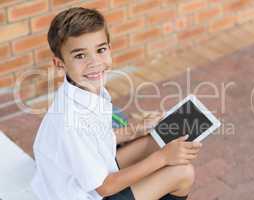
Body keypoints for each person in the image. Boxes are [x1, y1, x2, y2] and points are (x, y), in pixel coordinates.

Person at [31, 7, 201, 200]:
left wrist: (135, 130)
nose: (94, 62)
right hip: (86, 193)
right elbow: (104, 188)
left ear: (109, 48)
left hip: (91, 174)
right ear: (60, 64)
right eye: (80, 55)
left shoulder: (84, 89)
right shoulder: (70, 122)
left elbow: (96, 138)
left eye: (100, 50)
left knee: (157, 140)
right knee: (183, 172)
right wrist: (163, 158)